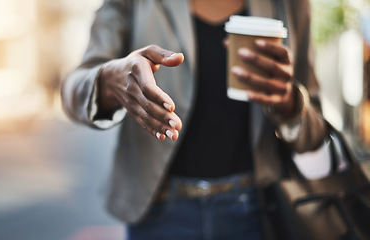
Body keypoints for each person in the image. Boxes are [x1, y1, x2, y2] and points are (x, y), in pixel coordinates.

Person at [61, 0, 326, 239]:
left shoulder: (290, 5)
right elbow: (72, 91)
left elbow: (315, 134)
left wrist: (290, 102)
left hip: (258, 212)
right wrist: (110, 78)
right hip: (159, 214)